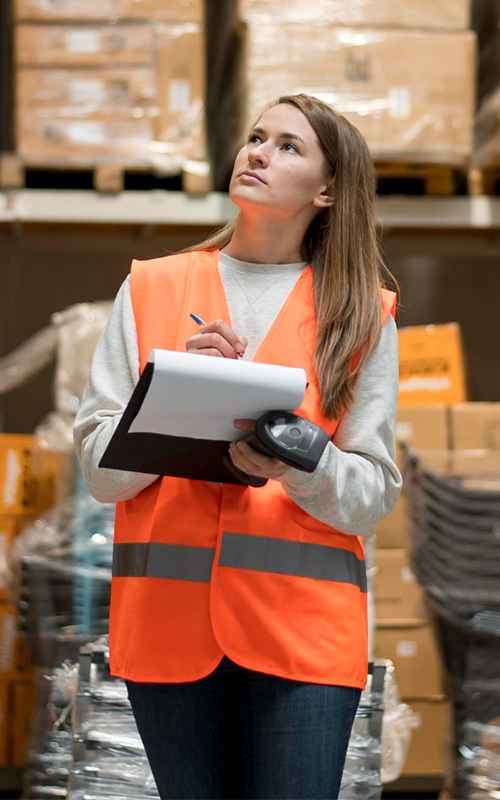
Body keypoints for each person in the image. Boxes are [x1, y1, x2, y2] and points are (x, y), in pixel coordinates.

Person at [73, 93, 402, 800]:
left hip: (303, 637)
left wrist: (303, 461)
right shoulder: (152, 288)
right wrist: (168, 403)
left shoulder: (362, 313)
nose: (256, 152)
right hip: (169, 628)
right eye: (256, 137)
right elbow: (100, 473)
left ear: (328, 189)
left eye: (288, 146)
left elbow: (372, 495)